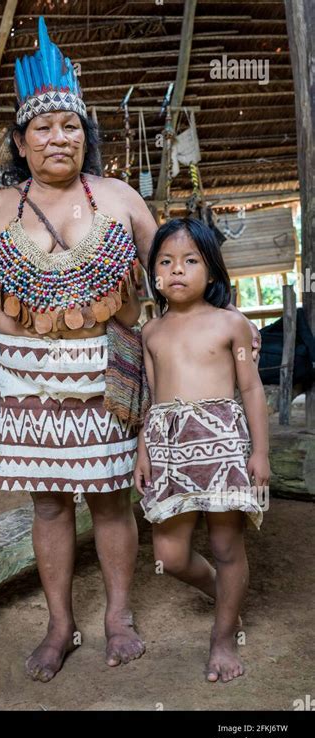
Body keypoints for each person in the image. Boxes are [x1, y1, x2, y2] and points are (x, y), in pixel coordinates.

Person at [0, 18, 262, 683]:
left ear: (86, 137)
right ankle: (60, 623)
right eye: (44, 128)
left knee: (112, 497)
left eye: (71, 127)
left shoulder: (118, 198)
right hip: (26, 378)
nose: (59, 137)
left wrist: (218, 319)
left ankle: (119, 615)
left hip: (105, 374)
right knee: (49, 501)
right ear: (20, 141)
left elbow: (177, 261)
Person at [134, 217, 270, 683]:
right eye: (166, 262)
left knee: (225, 543)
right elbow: (151, 402)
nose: (177, 270)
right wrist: (143, 451)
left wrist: (261, 453)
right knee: (169, 554)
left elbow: (251, 390)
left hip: (224, 447)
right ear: (154, 273)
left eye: (191, 261)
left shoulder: (231, 324)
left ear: (211, 271)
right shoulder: (150, 333)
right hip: (169, 448)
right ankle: (223, 593)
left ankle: (223, 637)